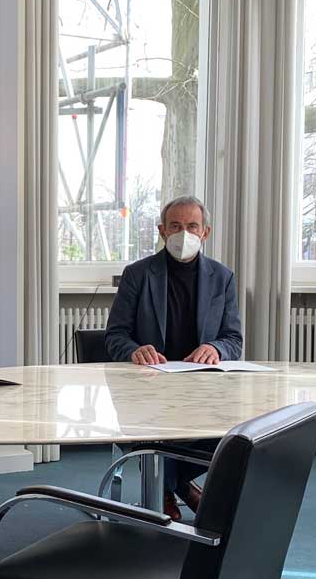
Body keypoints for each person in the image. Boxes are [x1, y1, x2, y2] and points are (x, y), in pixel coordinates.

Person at [104, 196, 243, 520]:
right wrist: (134, 350)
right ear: (162, 231)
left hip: (203, 386)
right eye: (176, 226)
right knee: (145, 427)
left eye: (191, 226)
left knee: (238, 430)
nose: (184, 233)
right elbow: (115, 335)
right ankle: (173, 489)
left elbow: (233, 339)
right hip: (147, 385)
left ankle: (171, 486)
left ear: (205, 232)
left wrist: (216, 349)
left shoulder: (222, 277)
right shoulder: (138, 274)